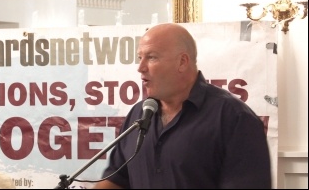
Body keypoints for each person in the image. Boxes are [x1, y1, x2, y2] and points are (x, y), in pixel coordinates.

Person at [93, 23, 272, 189]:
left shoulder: (234, 118)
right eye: (140, 58)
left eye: (151, 57)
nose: (140, 67)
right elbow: (117, 180)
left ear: (182, 62)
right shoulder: (138, 114)